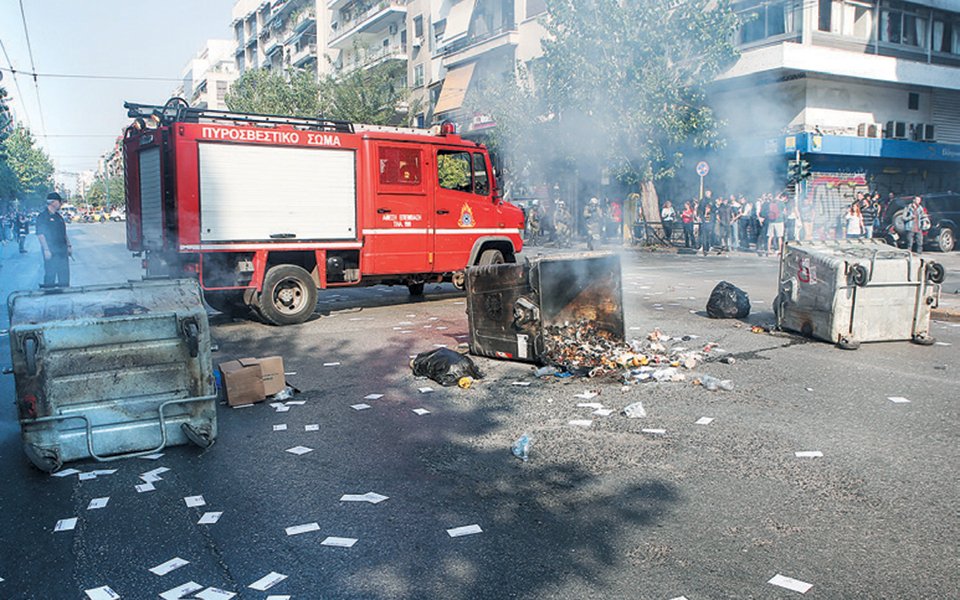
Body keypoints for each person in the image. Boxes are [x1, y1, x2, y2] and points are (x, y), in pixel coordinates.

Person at [36, 192, 72, 287]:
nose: (61, 204)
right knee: (50, 273)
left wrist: (68, 246)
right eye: (59, 202)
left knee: (64, 273)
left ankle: (64, 291)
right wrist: (46, 249)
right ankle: (49, 292)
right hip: (51, 250)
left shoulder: (58, 216)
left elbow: (64, 233)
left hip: (62, 249)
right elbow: (40, 234)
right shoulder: (43, 216)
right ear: (53, 202)